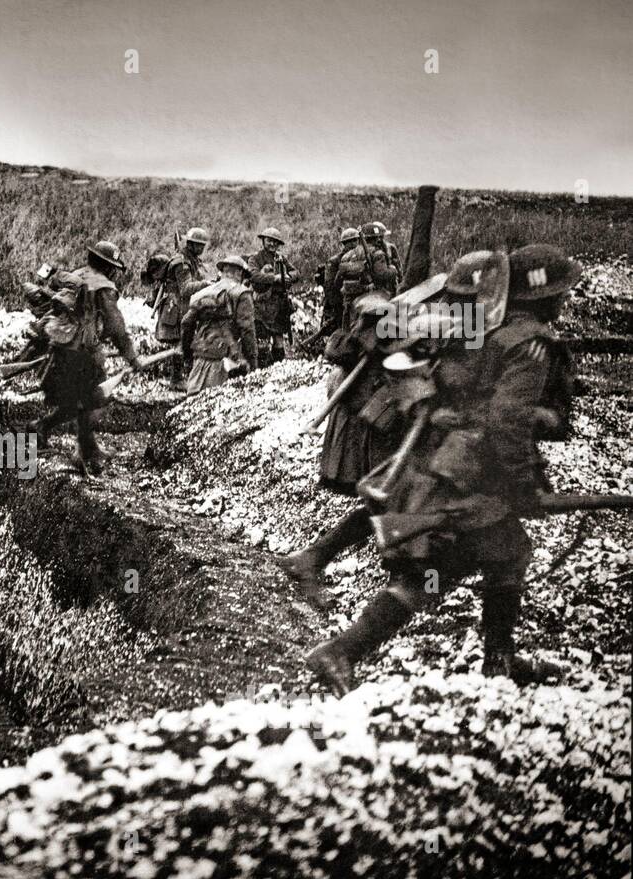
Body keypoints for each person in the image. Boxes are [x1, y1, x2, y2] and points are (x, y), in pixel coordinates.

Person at [305, 245, 580, 694]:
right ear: (544, 296)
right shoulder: (528, 343)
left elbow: (466, 393)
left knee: (504, 553)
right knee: (435, 572)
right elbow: (506, 422)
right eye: (561, 294)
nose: (564, 302)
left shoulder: (477, 329)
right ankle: (342, 650)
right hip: (472, 475)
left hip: (449, 465)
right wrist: (523, 483)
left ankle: (499, 658)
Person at [30, 240, 142, 476]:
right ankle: (47, 430)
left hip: (62, 346)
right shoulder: (103, 286)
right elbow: (115, 325)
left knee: (78, 399)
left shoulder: (76, 276)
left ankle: (86, 447)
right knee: (96, 398)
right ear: (109, 267)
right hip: (84, 352)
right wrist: (131, 357)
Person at [178, 255, 258, 394]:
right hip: (227, 361)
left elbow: (186, 323)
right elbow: (247, 330)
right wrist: (253, 362)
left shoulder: (204, 292)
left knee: (192, 406)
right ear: (240, 273)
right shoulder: (242, 293)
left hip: (200, 356)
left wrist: (187, 355)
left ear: (223, 271)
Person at [155, 227, 209, 389]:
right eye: (198, 245)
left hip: (184, 306)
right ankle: (176, 380)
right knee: (180, 342)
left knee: (187, 341)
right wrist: (205, 285)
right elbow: (185, 288)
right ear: (191, 245)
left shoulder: (192, 259)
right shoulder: (181, 263)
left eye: (202, 246)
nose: (201, 249)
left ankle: (186, 377)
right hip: (176, 306)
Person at [247, 227, 298, 365]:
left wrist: (288, 276)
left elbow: (295, 272)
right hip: (261, 305)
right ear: (263, 241)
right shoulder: (255, 258)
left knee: (278, 338)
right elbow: (253, 275)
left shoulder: (281, 259)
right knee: (261, 341)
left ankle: (278, 368)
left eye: (275, 242)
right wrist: (274, 278)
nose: (272, 244)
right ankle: (261, 369)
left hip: (279, 304)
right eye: (269, 241)